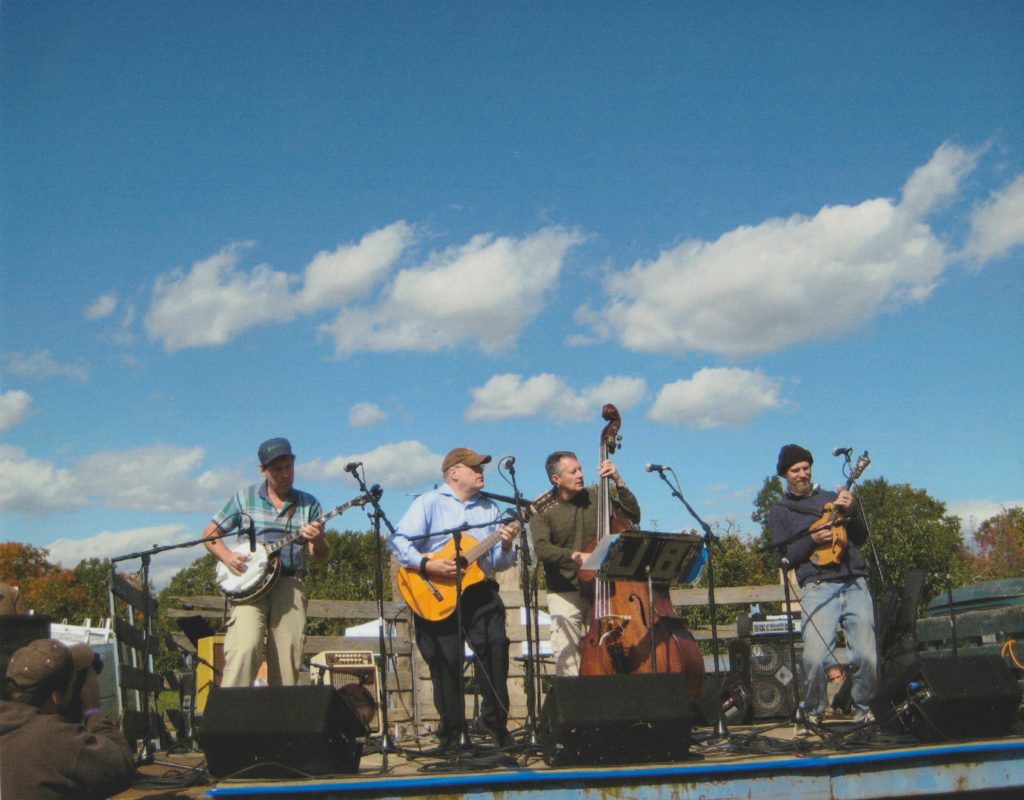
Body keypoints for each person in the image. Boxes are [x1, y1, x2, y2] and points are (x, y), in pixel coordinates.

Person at [389, 447, 519, 751]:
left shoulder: (489, 509)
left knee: (497, 647)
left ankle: (496, 725)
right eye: (474, 467)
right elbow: (397, 541)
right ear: (453, 472)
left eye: (482, 467)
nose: (481, 471)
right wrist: (426, 564)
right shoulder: (429, 503)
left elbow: (498, 562)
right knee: (445, 661)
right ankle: (453, 735)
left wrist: (508, 543)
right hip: (434, 593)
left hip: (479, 591)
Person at [203, 437, 327, 687]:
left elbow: (319, 557)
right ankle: (231, 721)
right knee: (245, 648)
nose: (285, 474)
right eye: (277, 469)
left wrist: (320, 539)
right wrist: (228, 557)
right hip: (250, 589)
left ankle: (281, 724)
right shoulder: (244, 498)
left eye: (288, 467)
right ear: (263, 470)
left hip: (289, 584)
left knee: (287, 659)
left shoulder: (309, 504)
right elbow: (210, 535)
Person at [768, 443, 877, 723]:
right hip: (817, 586)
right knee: (815, 659)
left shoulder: (833, 497)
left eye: (806, 468)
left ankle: (864, 712)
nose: (802, 474)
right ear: (785, 474)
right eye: (795, 470)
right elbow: (785, 558)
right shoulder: (780, 512)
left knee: (867, 656)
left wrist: (852, 513)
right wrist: (811, 541)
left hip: (853, 581)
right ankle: (814, 713)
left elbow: (860, 538)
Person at [530, 451, 641, 677]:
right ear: (556, 479)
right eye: (573, 472)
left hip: (601, 587)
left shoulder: (597, 496)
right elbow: (541, 548)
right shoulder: (541, 509)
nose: (581, 474)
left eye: (580, 469)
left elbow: (633, 515)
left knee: (610, 648)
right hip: (565, 590)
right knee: (566, 653)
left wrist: (618, 481)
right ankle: (574, 708)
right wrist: (574, 556)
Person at [0, 639, 135, 799]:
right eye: (72, 686)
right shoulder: (53, 737)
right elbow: (121, 766)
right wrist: (93, 710)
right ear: (55, 697)